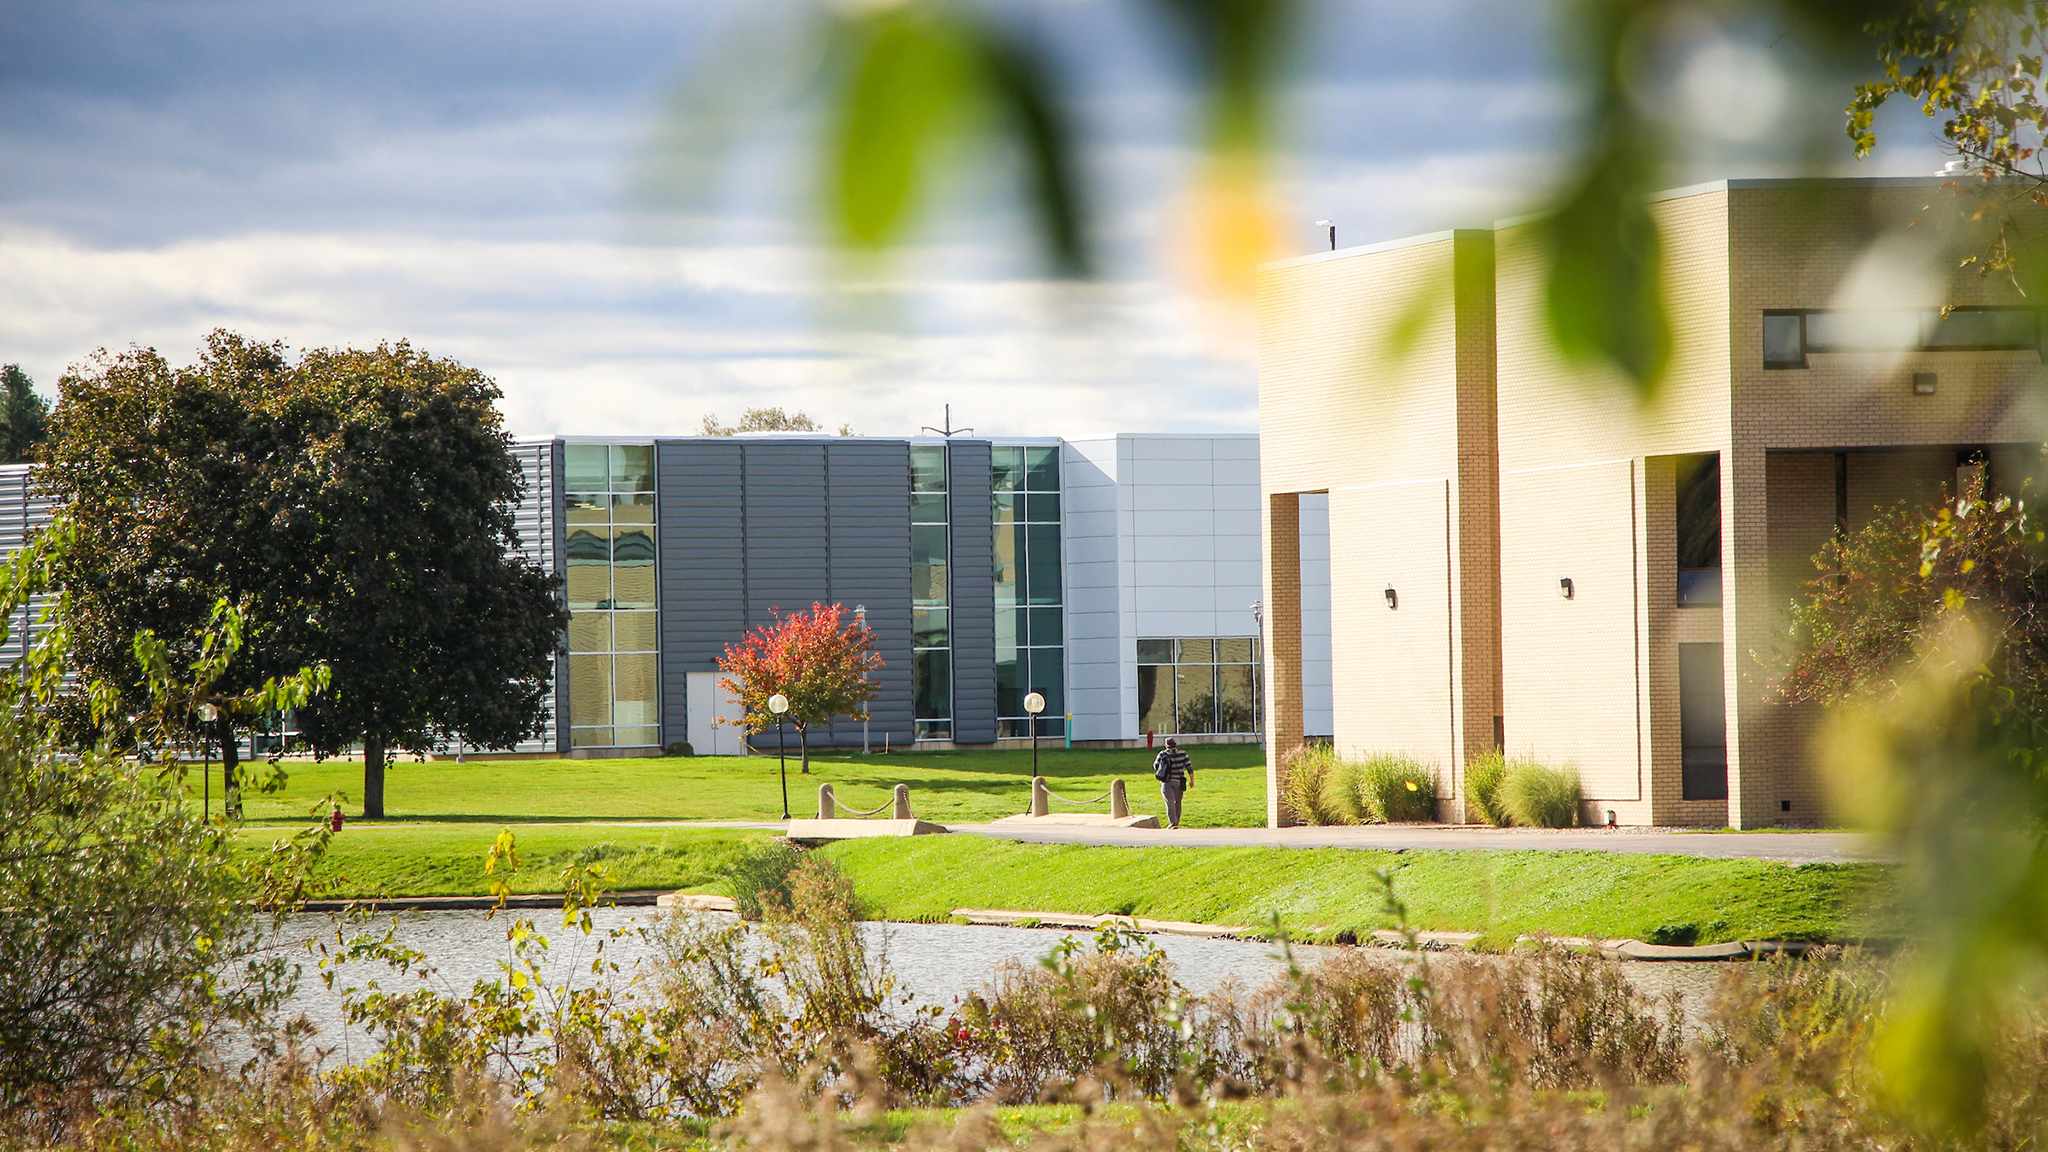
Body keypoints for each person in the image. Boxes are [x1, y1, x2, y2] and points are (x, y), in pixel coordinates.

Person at [1152, 737, 1193, 829]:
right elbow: (1189, 767)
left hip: (1166, 781)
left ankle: (1172, 822)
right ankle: (1177, 822)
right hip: (1179, 781)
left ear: (1166, 745)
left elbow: (1156, 766)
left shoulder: (1162, 754)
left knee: (1169, 802)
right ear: (1175, 744)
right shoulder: (1182, 753)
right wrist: (1192, 780)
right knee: (1177, 802)